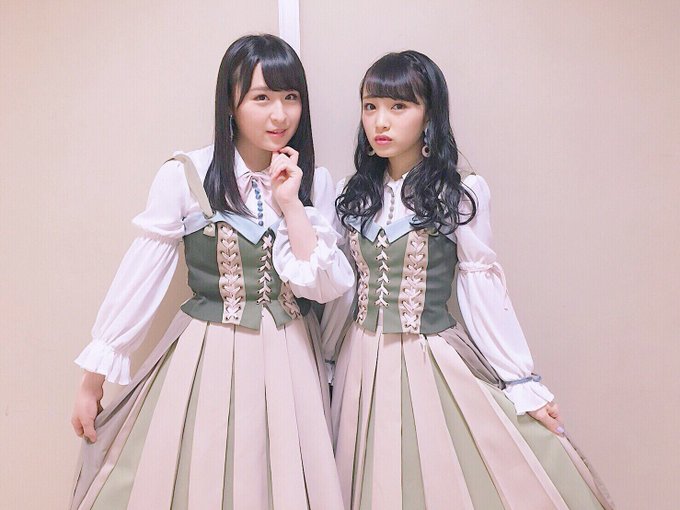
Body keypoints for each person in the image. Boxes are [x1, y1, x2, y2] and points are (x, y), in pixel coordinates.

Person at [69, 34, 351, 510]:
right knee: (206, 473)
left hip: (291, 357)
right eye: (261, 98)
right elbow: (141, 278)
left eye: (290, 97)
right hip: (208, 353)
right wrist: (92, 380)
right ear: (230, 104)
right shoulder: (186, 174)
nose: (280, 115)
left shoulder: (315, 182)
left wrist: (291, 205)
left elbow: (321, 287)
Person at [325, 50, 614, 510]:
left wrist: (521, 382)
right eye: (370, 106)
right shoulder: (353, 194)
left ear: (429, 114)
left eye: (399, 106)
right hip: (359, 363)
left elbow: (482, 288)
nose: (381, 121)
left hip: (428, 356)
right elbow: (343, 291)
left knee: (431, 476)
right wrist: (326, 360)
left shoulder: (458, 193)